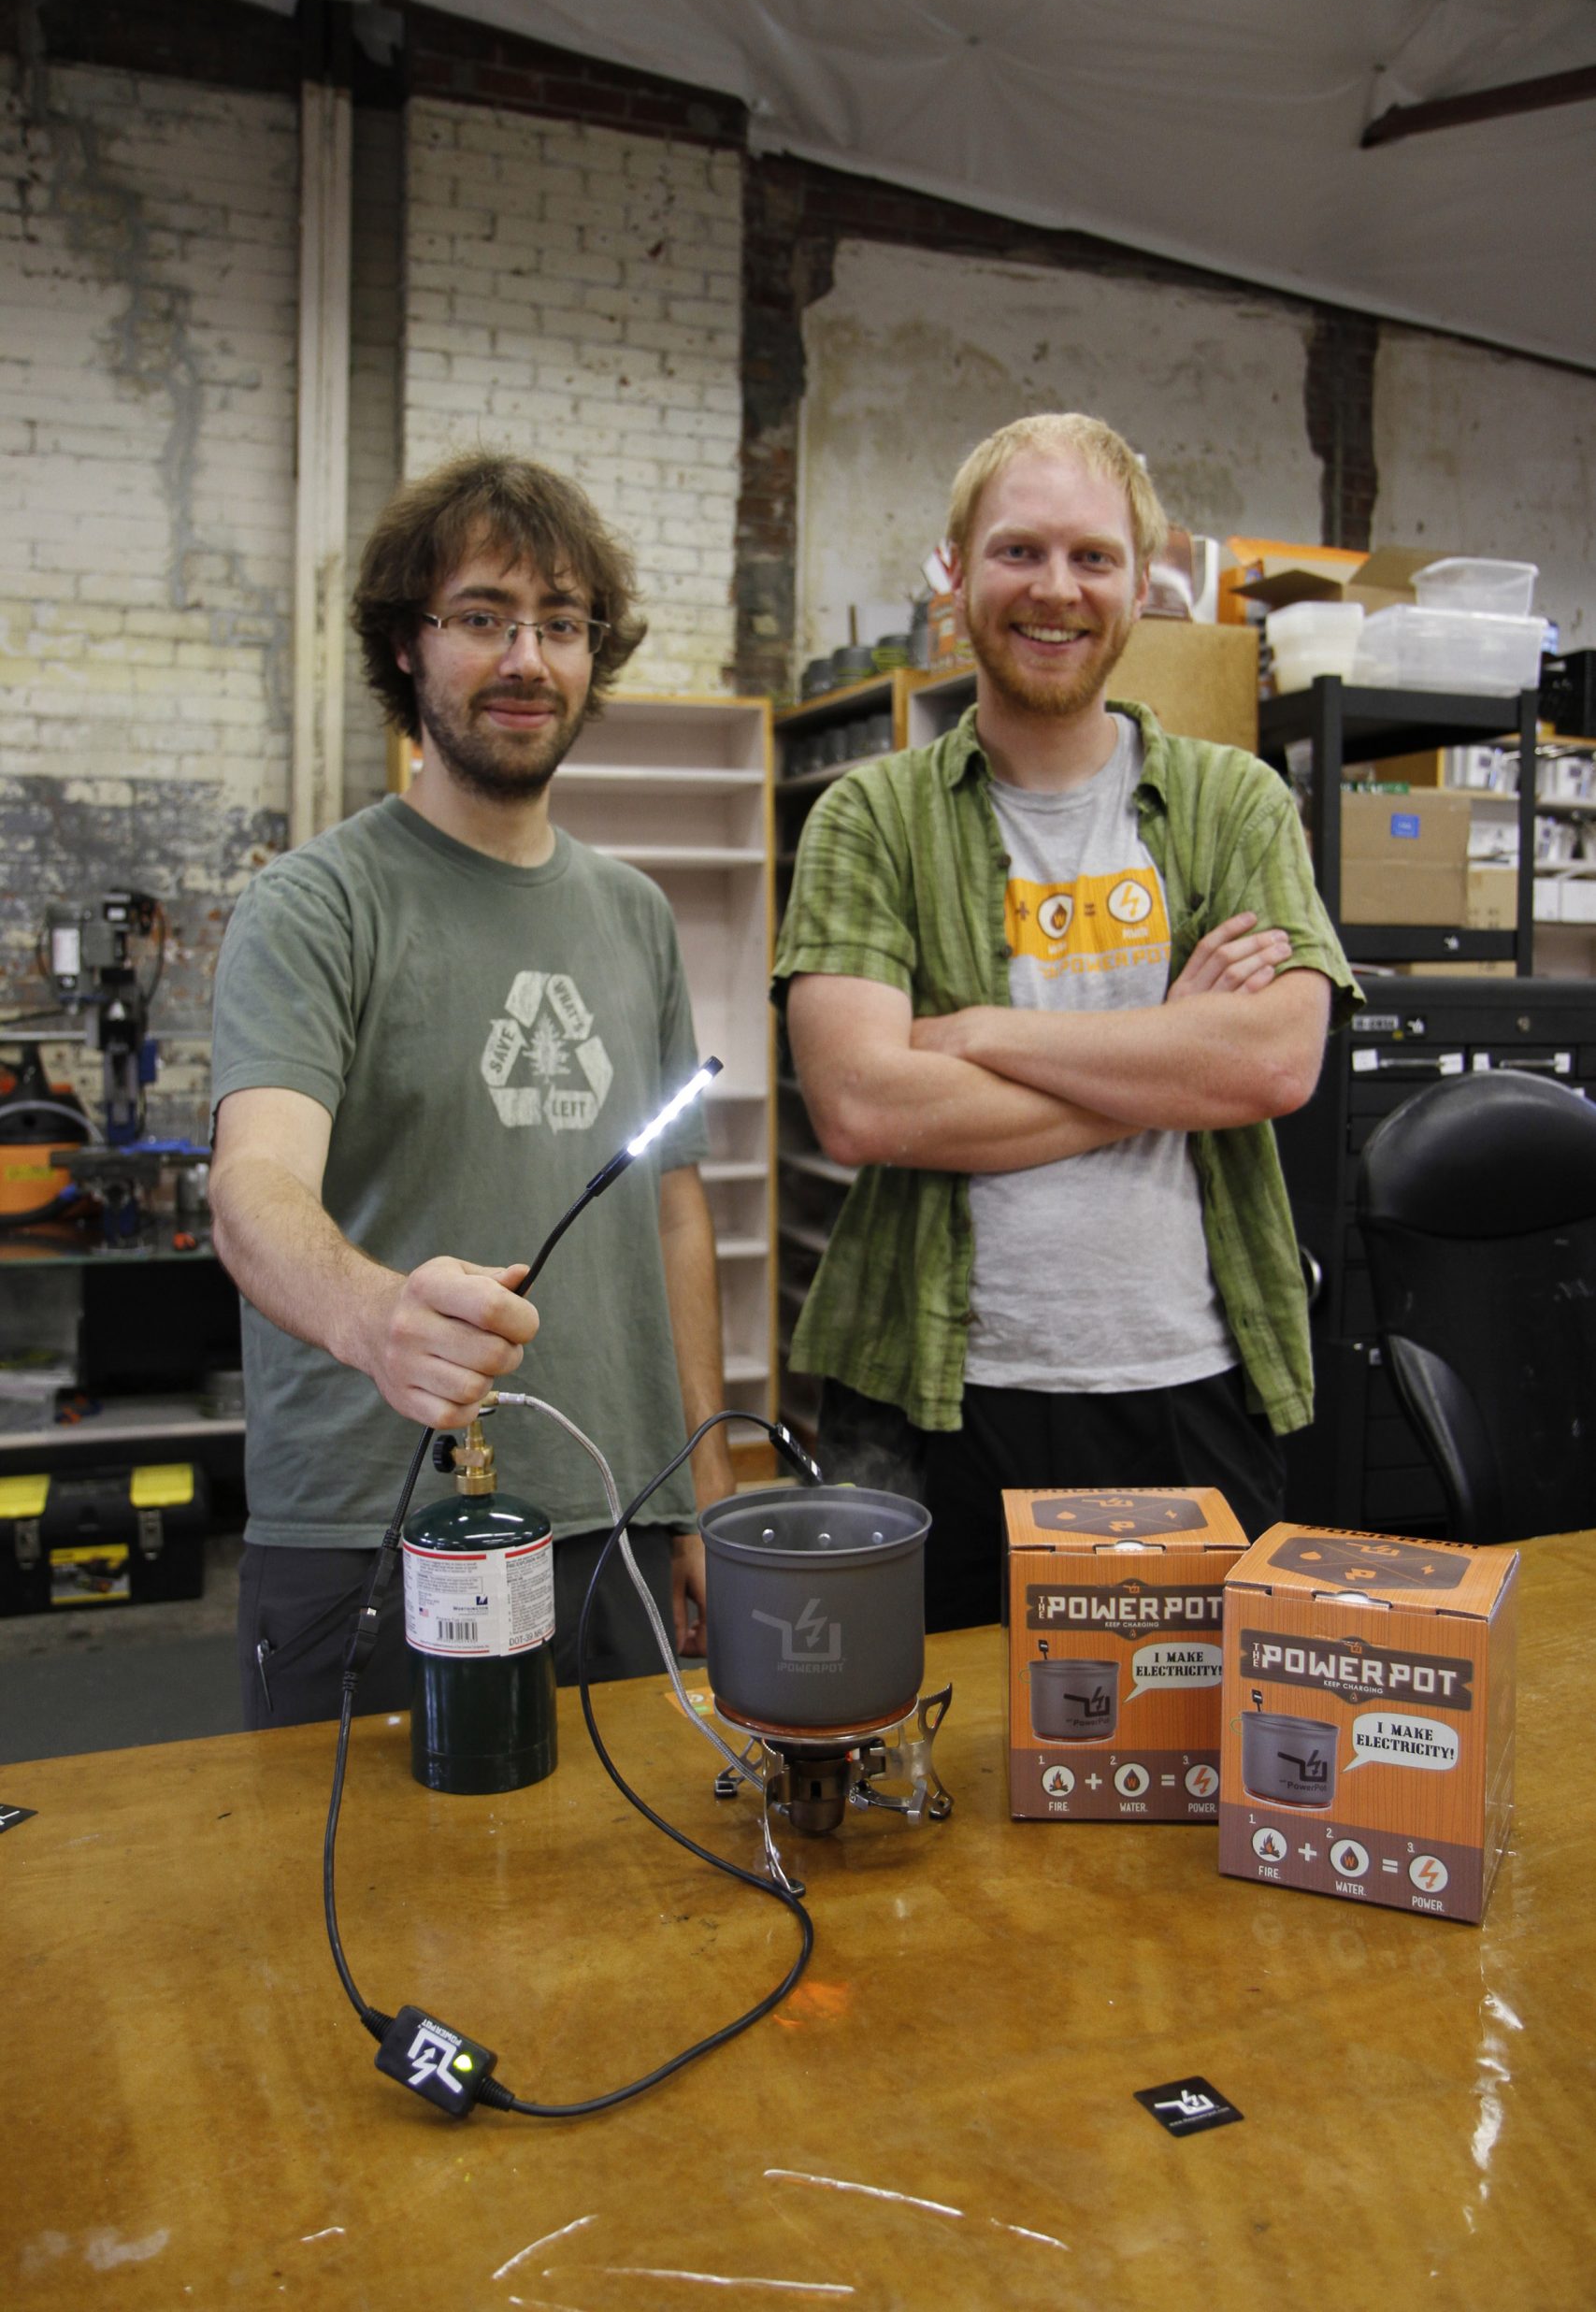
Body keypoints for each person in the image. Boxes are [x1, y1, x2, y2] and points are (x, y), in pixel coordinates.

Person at [774, 412, 1359, 1629]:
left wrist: (980, 1032)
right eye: (1018, 551)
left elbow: (1273, 1061)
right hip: (934, 1400)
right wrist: (1166, 1057)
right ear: (957, 576)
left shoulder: (1233, 804)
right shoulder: (868, 821)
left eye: (1093, 557)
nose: (1056, 589)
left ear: (1143, 586)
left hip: (1191, 1382)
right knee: (937, 1767)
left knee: (1188, 1777)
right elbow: (864, 1104)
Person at [209, 452, 735, 1725]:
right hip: (374, 1527)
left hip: (611, 1509)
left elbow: (672, 1214)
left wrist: (701, 1492)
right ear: (405, 644)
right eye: (484, 617)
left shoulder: (635, 916)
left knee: (625, 1905)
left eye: (562, 625)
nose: (527, 659)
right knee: (380, 1912)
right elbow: (252, 1187)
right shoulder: (315, 906)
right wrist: (373, 1314)